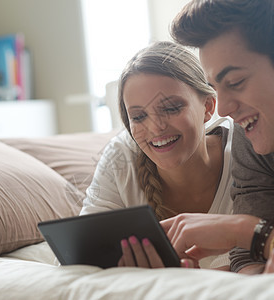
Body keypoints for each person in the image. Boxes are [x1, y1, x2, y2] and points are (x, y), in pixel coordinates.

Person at [161, 0, 274, 274]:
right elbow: (250, 262)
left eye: (236, 82)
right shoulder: (255, 136)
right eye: (215, 88)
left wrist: (249, 231)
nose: (223, 109)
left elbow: (256, 237)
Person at [80, 41, 235, 269]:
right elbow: (79, 253)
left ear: (208, 107)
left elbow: (269, 250)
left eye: (171, 108)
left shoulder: (244, 152)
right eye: (139, 117)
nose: (155, 128)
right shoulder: (121, 156)